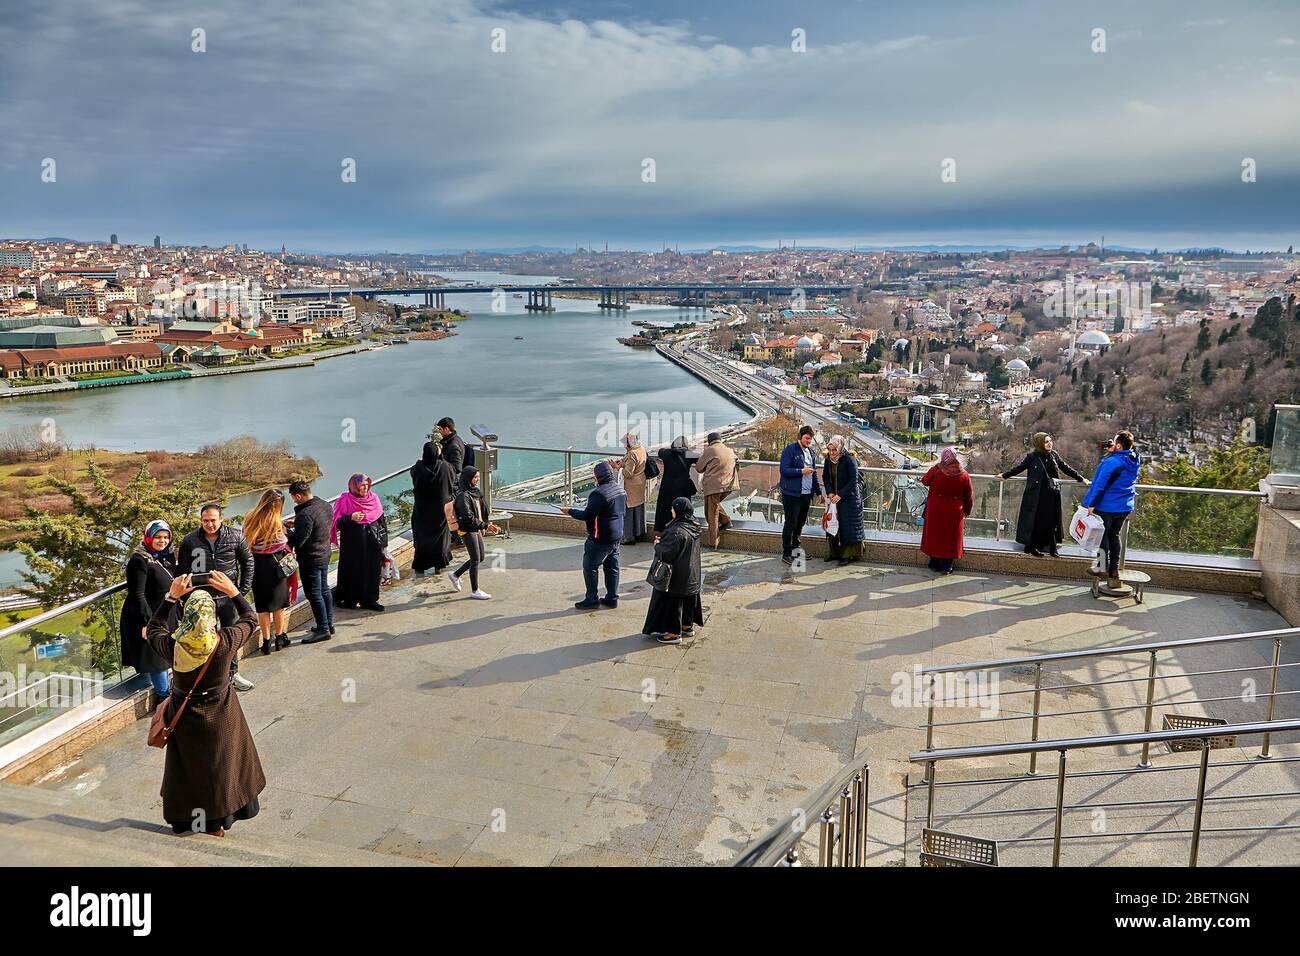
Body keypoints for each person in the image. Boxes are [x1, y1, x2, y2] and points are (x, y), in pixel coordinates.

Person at [146, 570, 265, 836]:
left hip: (184, 713)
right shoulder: (225, 643)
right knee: (221, 764)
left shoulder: (173, 645)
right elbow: (250, 619)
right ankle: (218, 821)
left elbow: (154, 628)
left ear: (186, 615)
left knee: (189, 769)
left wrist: (170, 597)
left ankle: (189, 820)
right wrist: (233, 591)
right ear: (212, 616)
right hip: (222, 713)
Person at [178, 504, 256, 692]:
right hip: (202, 600)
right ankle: (209, 677)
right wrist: (188, 597)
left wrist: (240, 591)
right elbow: (182, 570)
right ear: (200, 521)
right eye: (205, 520)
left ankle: (233, 673)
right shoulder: (190, 541)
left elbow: (248, 562)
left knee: (230, 637)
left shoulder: (235, 536)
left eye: (213, 520)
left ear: (221, 518)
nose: (210, 524)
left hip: (228, 599)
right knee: (202, 638)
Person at [997, 432, 1086, 556]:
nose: (1050, 443)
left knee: (1051, 520)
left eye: (1050, 441)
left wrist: (1081, 478)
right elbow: (1019, 468)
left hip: (1051, 494)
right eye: (1046, 442)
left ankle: (1052, 547)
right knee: (1036, 520)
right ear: (1039, 443)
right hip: (1036, 496)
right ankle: (1033, 547)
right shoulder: (1032, 457)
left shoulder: (1054, 455)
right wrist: (1005, 475)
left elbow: (1066, 468)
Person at [120, 520, 178, 699]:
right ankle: (163, 697)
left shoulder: (167, 555)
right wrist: (147, 622)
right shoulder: (139, 560)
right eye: (158, 537)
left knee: (166, 652)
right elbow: (137, 594)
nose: (162, 541)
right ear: (148, 537)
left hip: (166, 612)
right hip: (147, 614)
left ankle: (169, 692)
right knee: (156, 659)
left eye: (166, 537)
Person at [562, 460, 626, 609]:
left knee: (590, 566)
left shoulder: (598, 494)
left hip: (600, 538)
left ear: (599, 477)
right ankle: (612, 598)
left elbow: (587, 515)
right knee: (612, 567)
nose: (594, 479)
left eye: (594, 476)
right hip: (616, 536)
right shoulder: (621, 490)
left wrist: (569, 511)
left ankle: (591, 599)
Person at [1082, 430, 1141, 588]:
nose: (1111, 444)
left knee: (1103, 537)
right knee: (1114, 535)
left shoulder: (1111, 462)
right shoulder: (1134, 459)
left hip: (1107, 506)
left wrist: (1091, 505)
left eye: (1114, 442)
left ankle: (1101, 568)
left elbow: (1100, 485)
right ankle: (1114, 569)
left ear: (1119, 445)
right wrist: (1114, 451)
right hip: (1124, 506)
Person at [642, 497, 703, 645]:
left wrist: (657, 545)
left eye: (673, 508)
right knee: (688, 598)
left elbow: (667, 553)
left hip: (677, 575)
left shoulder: (677, 531)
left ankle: (673, 633)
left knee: (673, 602)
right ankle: (687, 625)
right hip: (691, 572)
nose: (671, 510)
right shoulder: (694, 525)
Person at [243, 489, 296, 655]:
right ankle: (280, 637)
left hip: (256, 565)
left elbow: (247, 539)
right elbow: (282, 543)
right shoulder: (276, 522)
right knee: (278, 606)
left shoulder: (250, 516)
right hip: (275, 566)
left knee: (262, 606)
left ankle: (266, 641)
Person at [286, 480, 334, 644]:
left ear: (298, 496)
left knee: (314, 594)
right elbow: (316, 527)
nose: (294, 501)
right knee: (324, 589)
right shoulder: (325, 505)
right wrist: (298, 524)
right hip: (324, 553)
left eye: (294, 498)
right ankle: (328, 623)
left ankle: (323, 629)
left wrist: (287, 530)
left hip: (311, 558)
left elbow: (299, 541)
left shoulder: (306, 514)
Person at [331, 473, 388, 612]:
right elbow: (334, 523)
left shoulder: (373, 498)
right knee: (352, 571)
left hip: (372, 544)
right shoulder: (344, 500)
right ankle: (349, 600)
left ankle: (370, 600)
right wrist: (350, 518)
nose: (365, 488)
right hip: (352, 546)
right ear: (354, 486)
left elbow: (381, 521)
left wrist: (384, 543)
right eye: (362, 485)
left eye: (367, 484)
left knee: (372, 571)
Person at [920, 447, 974, 574]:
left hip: (935, 510)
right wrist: (967, 510)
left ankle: (934, 563)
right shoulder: (964, 475)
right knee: (950, 538)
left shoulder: (936, 470)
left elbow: (925, 481)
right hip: (955, 512)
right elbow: (969, 495)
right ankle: (947, 566)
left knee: (935, 535)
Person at [449, 465, 499, 599]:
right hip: (467, 529)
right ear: (468, 478)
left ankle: (455, 575)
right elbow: (467, 518)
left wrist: (485, 525)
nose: (477, 479)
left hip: (475, 528)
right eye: (474, 477)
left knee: (480, 557)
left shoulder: (475, 492)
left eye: (477, 476)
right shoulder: (463, 496)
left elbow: (481, 511)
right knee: (476, 559)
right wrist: (484, 526)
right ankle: (475, 590)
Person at [779, 425, 824, 565]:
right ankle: (786, 553)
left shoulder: (811, 452)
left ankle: (796, 550)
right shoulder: (790, 450)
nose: (808, 441)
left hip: (806, 495)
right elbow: (784, 470)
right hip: (791, 494)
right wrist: (800, 471)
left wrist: (818, 492)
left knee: (800, 524)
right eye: (806, 438)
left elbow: (813, 473)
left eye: (810, 439)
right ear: (800, 436)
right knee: (790, 523)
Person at [411, 440, 455, 576]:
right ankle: (439, 564)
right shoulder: (444, 467)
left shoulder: (418, 468)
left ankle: (421, 564)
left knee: (422, 537)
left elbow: (414, 476)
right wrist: (441, 456)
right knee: (440, 538)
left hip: (422, 510)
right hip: (440, 510)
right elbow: (453, 475)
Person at [822, 436, 865, 565]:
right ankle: (834, 553)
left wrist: (840, 495)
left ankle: (847, 555)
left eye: (834, 449)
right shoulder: (828, 461)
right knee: (832, 524)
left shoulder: (849, 459)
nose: (832, 452)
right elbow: (825, 477)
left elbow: (853, 481)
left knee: (847, 527)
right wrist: (829, 492)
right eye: (830, 450)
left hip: (849, 499)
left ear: (840, 447)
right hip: (833, 498)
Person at [694, 432, 737, 548]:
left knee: (711, 514)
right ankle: (726, 521)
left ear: (709, 441)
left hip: (714, 486)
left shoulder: (710, 450)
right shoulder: (729, 450)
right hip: (728, 485)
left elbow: (699, 468)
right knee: (714, 507)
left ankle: (713, 543)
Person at [653, 436, 696, 533]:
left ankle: (663, 530)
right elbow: (700, 458)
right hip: (683, 487)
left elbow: (660, 451)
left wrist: (671, 449)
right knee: (682, 508)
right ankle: (682, 529)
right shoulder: (689, 455)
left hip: (667, 486)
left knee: (665, 508)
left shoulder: (667, 453)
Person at [613, 432, 648, 545]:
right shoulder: (641, 448)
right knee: (639, 509)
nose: (624, 446)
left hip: (631, 486)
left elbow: (628, 473)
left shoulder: (632, 454)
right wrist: (623, 463)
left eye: (624, 443)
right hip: (640, 482)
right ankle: (640, 533)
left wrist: (618, 467)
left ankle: (628, 537)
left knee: (629, 510)